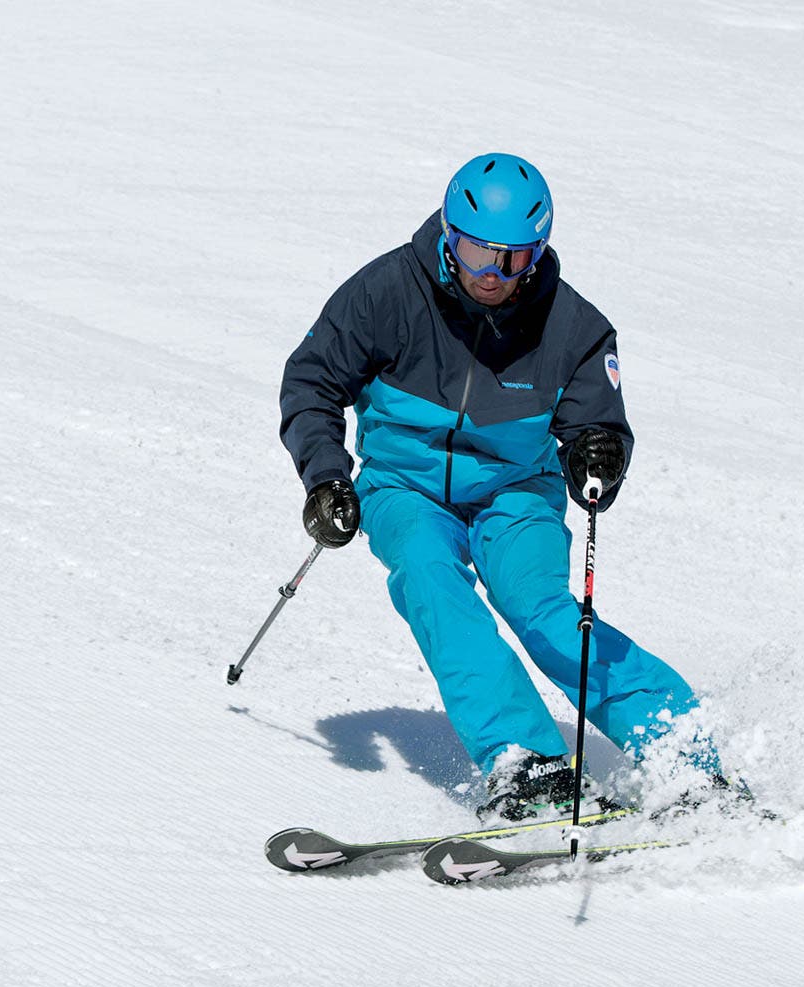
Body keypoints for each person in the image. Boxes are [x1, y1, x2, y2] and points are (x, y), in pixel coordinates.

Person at [280, 152, 733, 822]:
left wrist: (596, 452)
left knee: (543, 608)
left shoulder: (572, 327)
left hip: (516, 490)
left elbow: (597, 421)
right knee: (430, 579)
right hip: (405, 486)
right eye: (475, 252)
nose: (491, 275)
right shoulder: (385, 293)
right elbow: (312, 383)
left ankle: (683, 757)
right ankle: (527, 763)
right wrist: (325, 476)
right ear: (447, 237)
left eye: (513, 261)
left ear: (538, 254)